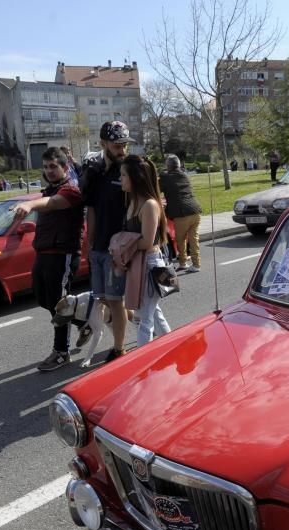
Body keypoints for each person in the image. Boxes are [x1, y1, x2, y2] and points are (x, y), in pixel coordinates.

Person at [11, 147, 83, 372]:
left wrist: (29, 205)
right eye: (45, 167)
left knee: (59, 304)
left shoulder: (71, 191)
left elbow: (52, 204)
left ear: (65, 167)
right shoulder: (49, 190)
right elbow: (49, 208)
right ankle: (84, 321)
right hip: (43, 253)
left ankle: (61, 352)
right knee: (44, 299)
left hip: (62, 255)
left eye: (53, 166)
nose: (49, 170)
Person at [81, 120, 134, 362]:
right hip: (98, 247)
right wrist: (90, 243)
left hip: (118, 248)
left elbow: (142, 202)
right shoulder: (94, 171)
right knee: (103, 297)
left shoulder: (129, 171)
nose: (122, 149)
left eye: (124, 144)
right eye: (116, 144)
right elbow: (91, 208)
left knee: (115, 300)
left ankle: (119, 347)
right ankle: (137, 318)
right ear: (103, 144)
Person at [120, 155, 172, 347]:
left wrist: (121, 245)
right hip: (137, 264)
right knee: (153, 313)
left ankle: (144, 365)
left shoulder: (149, 205)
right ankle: (171, 347)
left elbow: (147, 242)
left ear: (136, 177)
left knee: (143, 319)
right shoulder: (132, 202)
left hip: (150, 265)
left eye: (124, 175)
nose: (121, 179)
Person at [160, 154, 202, 273]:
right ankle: (196, 264)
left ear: (168, 166)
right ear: (178, 165)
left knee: (181, 239)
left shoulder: (166, 177)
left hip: (182, 213)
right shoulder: (184, 175)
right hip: (195, 210)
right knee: (194, 239)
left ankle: (183, 263)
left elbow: (156, 188)